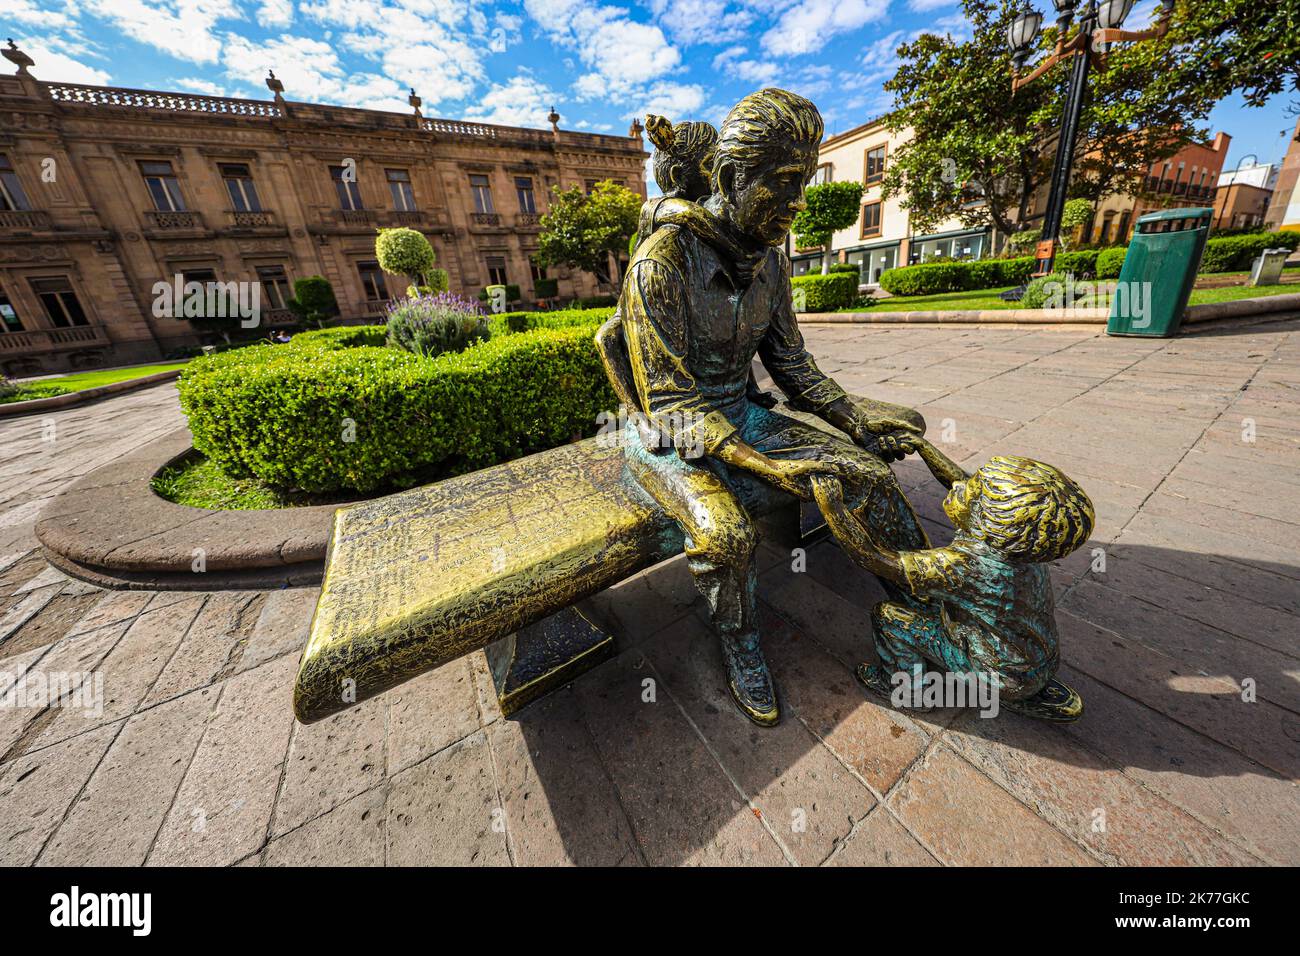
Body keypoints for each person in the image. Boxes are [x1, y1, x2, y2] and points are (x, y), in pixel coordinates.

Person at [611, 88, 926, 726]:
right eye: (783, 183)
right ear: (730, 178)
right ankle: (741, 642)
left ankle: (930, 611)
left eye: (803, 182)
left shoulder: (772, 263)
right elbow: (672, 405)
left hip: (738, 413)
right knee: (725, 536)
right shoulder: (661, 264)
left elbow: (794, 365)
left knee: (862, 471)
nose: (798, 203)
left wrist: (855, 420)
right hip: (668, 436)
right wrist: (765, 465)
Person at [809, 441, 1095, 722]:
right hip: (1038, 663)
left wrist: (832, 507)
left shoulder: (964, 566)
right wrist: (922, 446)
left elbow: (872, 558)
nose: (961, 486)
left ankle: (908, 691)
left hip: (996, 674)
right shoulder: (1026, 551)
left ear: (986, 520)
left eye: (973, 490)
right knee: (941, 605)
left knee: (889, 619)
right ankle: (1023, 687)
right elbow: (958, 481)